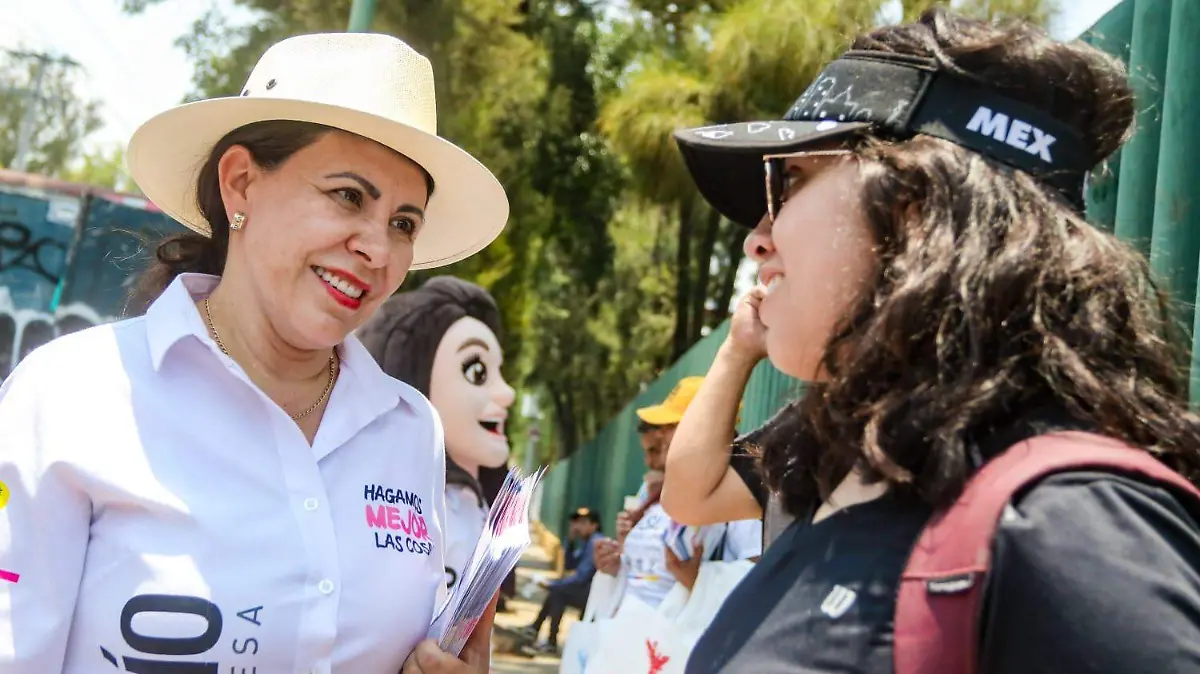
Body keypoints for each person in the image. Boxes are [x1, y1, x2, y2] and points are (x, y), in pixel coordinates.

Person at [665, 9, 1200, 673]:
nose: (757, 237)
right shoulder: (838, 475)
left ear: (916, 206)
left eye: (791, 178)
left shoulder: (1065, 523)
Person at [0, 33, 510, 674]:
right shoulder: (72, 394)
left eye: (404, 223)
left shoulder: (410, 430)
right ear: (240, 183)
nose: (378, 249)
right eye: (348, 196)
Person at [357, 276, 516, 594]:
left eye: (499, 372)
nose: (507, 393)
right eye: (477, 372)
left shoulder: (476, 503)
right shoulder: (386, 502)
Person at [594, 377, 762, 611]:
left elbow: (757, 580)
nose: (661, 437)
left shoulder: (742, 489)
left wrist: (698, 582)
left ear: (705, 426)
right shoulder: (670, 488)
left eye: (670, 427)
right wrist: (618, 564)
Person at [521, 507, 604, 652]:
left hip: (595, 596)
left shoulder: (595, 542)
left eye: (583, 523)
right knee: (557, 591)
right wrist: (570, 541)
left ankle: (546, 637)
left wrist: (552, 584)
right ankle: (537, 630)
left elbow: (581, 577)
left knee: (558, 592)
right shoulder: (587, 542)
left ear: (594, 525)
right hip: (588, 591)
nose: (578, 526)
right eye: (577, 523)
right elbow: (569, 565)